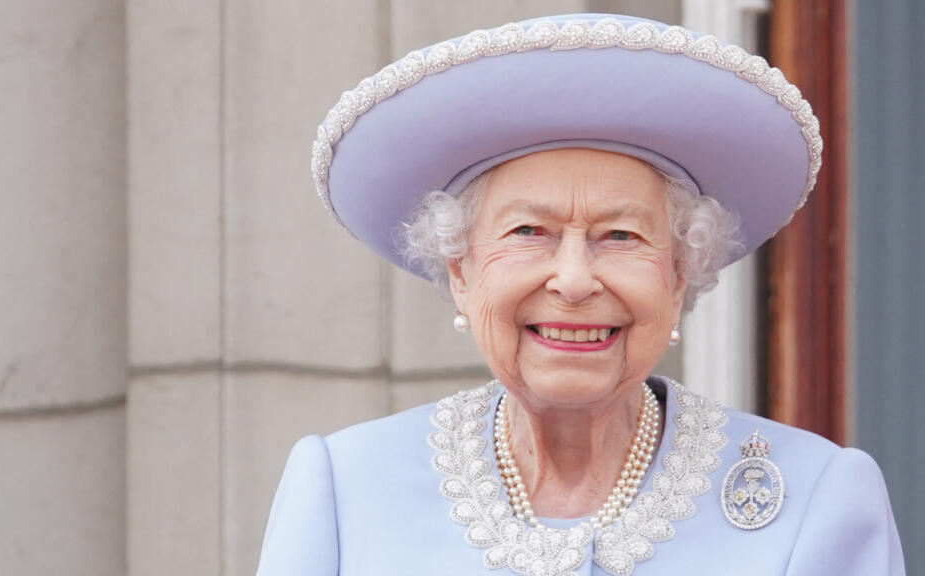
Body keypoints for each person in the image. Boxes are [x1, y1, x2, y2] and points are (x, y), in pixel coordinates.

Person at [257, 13, 904, 576]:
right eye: (528, 231)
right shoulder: (345, 488)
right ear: (461, 269)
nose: (572, 280)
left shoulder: (813, 501)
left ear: (680, 272)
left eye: (619, 235)